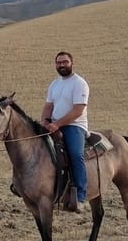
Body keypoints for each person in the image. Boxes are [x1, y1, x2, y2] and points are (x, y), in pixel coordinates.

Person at [40, 51, 100, 212]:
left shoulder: (79, 83)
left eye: (65, 62)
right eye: (59, 63)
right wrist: (44, 121)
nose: (61, 65)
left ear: (72, 63)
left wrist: (57, 124)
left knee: (75, 154)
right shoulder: (54, 84)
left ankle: (81, 196)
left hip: (75, 125)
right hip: (55, 124)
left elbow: (78, 110)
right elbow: (48, 106)